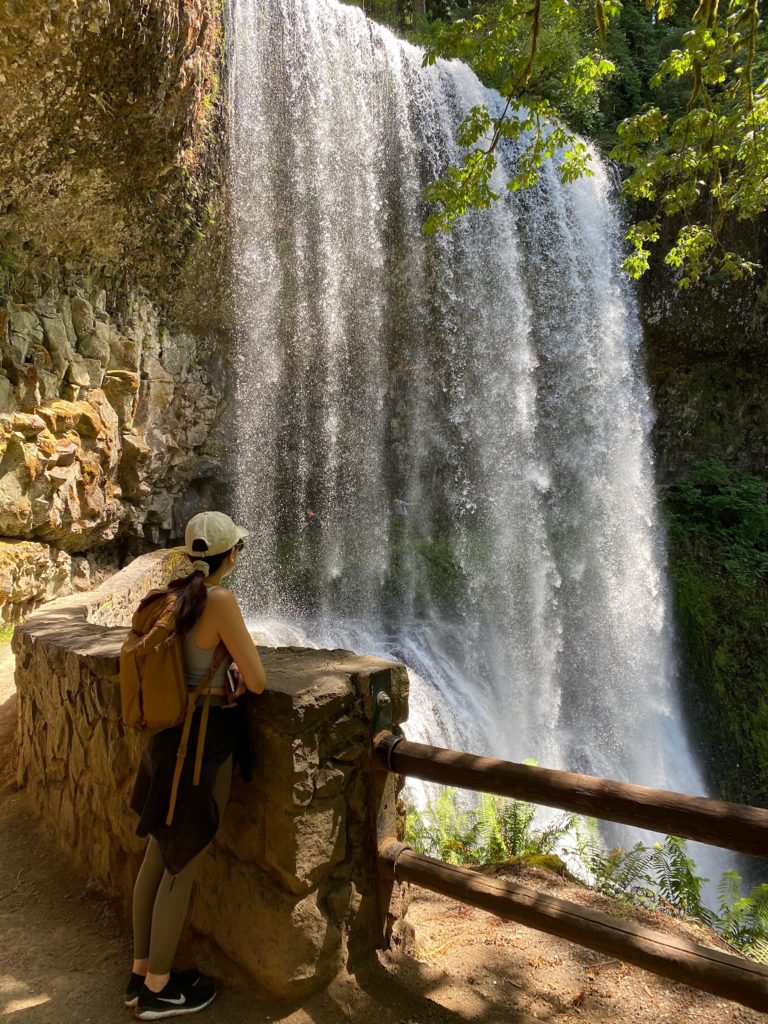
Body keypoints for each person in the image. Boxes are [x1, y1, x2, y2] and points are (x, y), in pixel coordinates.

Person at [126, 511, 267, 1019]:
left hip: (164, 743)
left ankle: (141, 971)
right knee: (180, 866)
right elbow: (257, 680)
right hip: (202, 749)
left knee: (155, 858)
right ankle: (159, 991)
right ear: (230, 555)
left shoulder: (170, 598)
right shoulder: (220, 601)